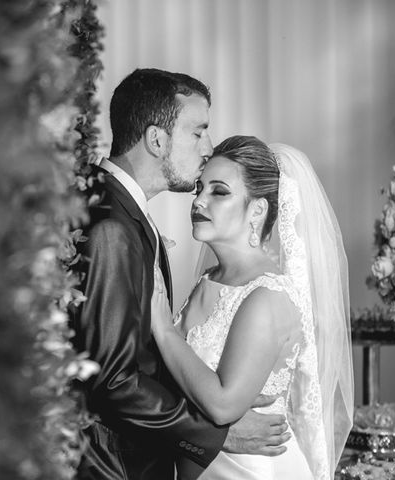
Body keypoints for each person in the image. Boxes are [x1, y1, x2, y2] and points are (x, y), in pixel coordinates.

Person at [70, 70, 292, 480]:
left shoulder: (123, 215)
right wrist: (216, 435)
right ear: (157, 140)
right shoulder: (111, 227)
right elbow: (114, 380)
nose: (208, 147)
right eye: (198, 132)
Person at [151, 136, 355, 479]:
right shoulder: (208, 279)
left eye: (219, 191)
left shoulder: (267, 296)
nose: (199, 200)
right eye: (199, 188)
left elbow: (222, 404)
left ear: (258, 209)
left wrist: (163, 328)